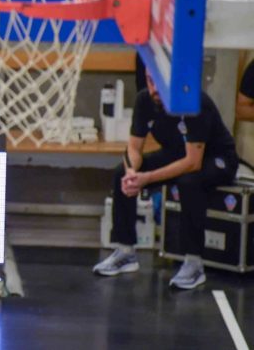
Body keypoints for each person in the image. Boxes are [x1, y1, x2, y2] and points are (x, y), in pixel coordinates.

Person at [93, 69, 238, 289]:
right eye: (150, 81)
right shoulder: (145, 100)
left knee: (189, 182)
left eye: (158, 82)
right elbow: (134, 147)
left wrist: (147, 178)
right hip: (176, 153)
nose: (153, 89)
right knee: (122, 174)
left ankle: (194, 263)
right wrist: (132, 172)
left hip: (216, 158)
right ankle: (125, 251)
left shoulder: (194, 102)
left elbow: (193, 162)